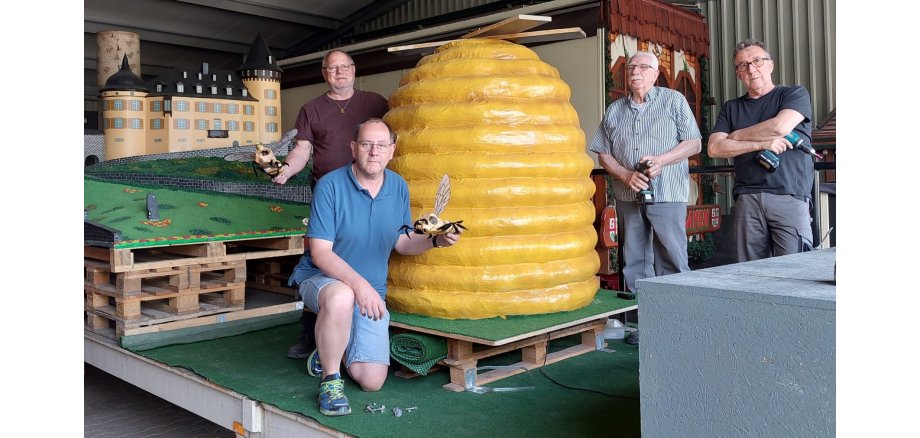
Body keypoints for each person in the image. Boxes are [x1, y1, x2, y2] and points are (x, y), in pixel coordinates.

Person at [288, 118, 461, 416]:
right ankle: (330, 381)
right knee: (342, 296)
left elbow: (402, 241)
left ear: (392, 150)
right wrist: (359, 286)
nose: (374, 151)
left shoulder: (398, 186)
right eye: (367, 144)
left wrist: (435, 241)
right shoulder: (330, 185)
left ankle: (329, 344)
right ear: (353, 147)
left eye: (381, 145)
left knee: (372, 381)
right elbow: (320, 253)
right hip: (323, 280)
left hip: (369, 291)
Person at [275, 50, 390, 360]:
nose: (340, 72)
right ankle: (309, 329)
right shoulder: (311, 109)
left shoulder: (376, 103)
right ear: (324, 73)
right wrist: (287, 168)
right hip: (329, 198)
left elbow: (391, 138)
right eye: (333, 68)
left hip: (370, 193)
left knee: (369, 252)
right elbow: (303, 149)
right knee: (318, 258)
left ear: (354, 69)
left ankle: (368, 322)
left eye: (345, 66)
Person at [588, 51, 702, 341]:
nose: (635, 72)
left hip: (667, 192)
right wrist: (625, 174)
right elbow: (603, 153)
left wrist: (661, 160)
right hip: (629, 193)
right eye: (631, 67)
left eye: (642, 67)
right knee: (634, 260)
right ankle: (645, 326)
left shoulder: (673, 101)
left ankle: (678, 324)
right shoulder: (615, 110)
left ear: (655, 73)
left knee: (671, 257)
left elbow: (694, 143)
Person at [708, 39, 814, 262]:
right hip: (747, 197)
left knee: (795, 267)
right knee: (751, 271)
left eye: (757, 61)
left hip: (789, 194)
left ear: (770, 65)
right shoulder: (731, 108)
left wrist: (737, 135)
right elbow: (715, 148)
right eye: (743, 65)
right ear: (738, 73)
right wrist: (762, 144)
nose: (751, 68)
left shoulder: (793, 95)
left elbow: (780, 127)